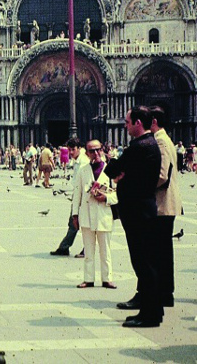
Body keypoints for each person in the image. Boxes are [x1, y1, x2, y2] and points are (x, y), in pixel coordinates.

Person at [104, 106, 162, 327]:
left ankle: (149, 315)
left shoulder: (138, 147)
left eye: (127, 122)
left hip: (137, 212)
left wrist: (112, 163)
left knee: (143, 263)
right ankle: (153, 310)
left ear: (138, 123)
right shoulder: (151, 145)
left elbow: (112, 171)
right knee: (147, 262)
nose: (125, 127)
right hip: (144, 208)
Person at [145, 106, 182, 307]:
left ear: (154, 122)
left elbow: (161, 176)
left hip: (163, 203)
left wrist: (142, 188)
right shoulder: (163, 139)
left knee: (162, 251)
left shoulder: (161, 141)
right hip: (164, 202)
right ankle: (164, 292)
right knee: (162, 249)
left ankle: (165, 293)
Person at [72, 140, 118, 289]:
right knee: (88, 250)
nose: (96, 153)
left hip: (104, 213)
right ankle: (88, 279)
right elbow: (77, 194)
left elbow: (119, 194)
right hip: (86, 214)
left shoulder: (110, 169)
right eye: (92, 151)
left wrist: (106, 197)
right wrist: (75, 215)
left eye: (98, 150)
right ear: (87, 153)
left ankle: (107, 278)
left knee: (105, 250)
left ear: (103, 150)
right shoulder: (83, 170)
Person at [50, 138, 89, 256]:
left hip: (83, 198)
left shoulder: (83, 162)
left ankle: (83, 249)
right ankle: (64, 247)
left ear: (79, 149)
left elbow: (85, 183)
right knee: (74, 222)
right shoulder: (78, 161)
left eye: (73, 149)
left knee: (81, 223)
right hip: (78, 196)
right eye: (69, 150)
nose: (71, 152)